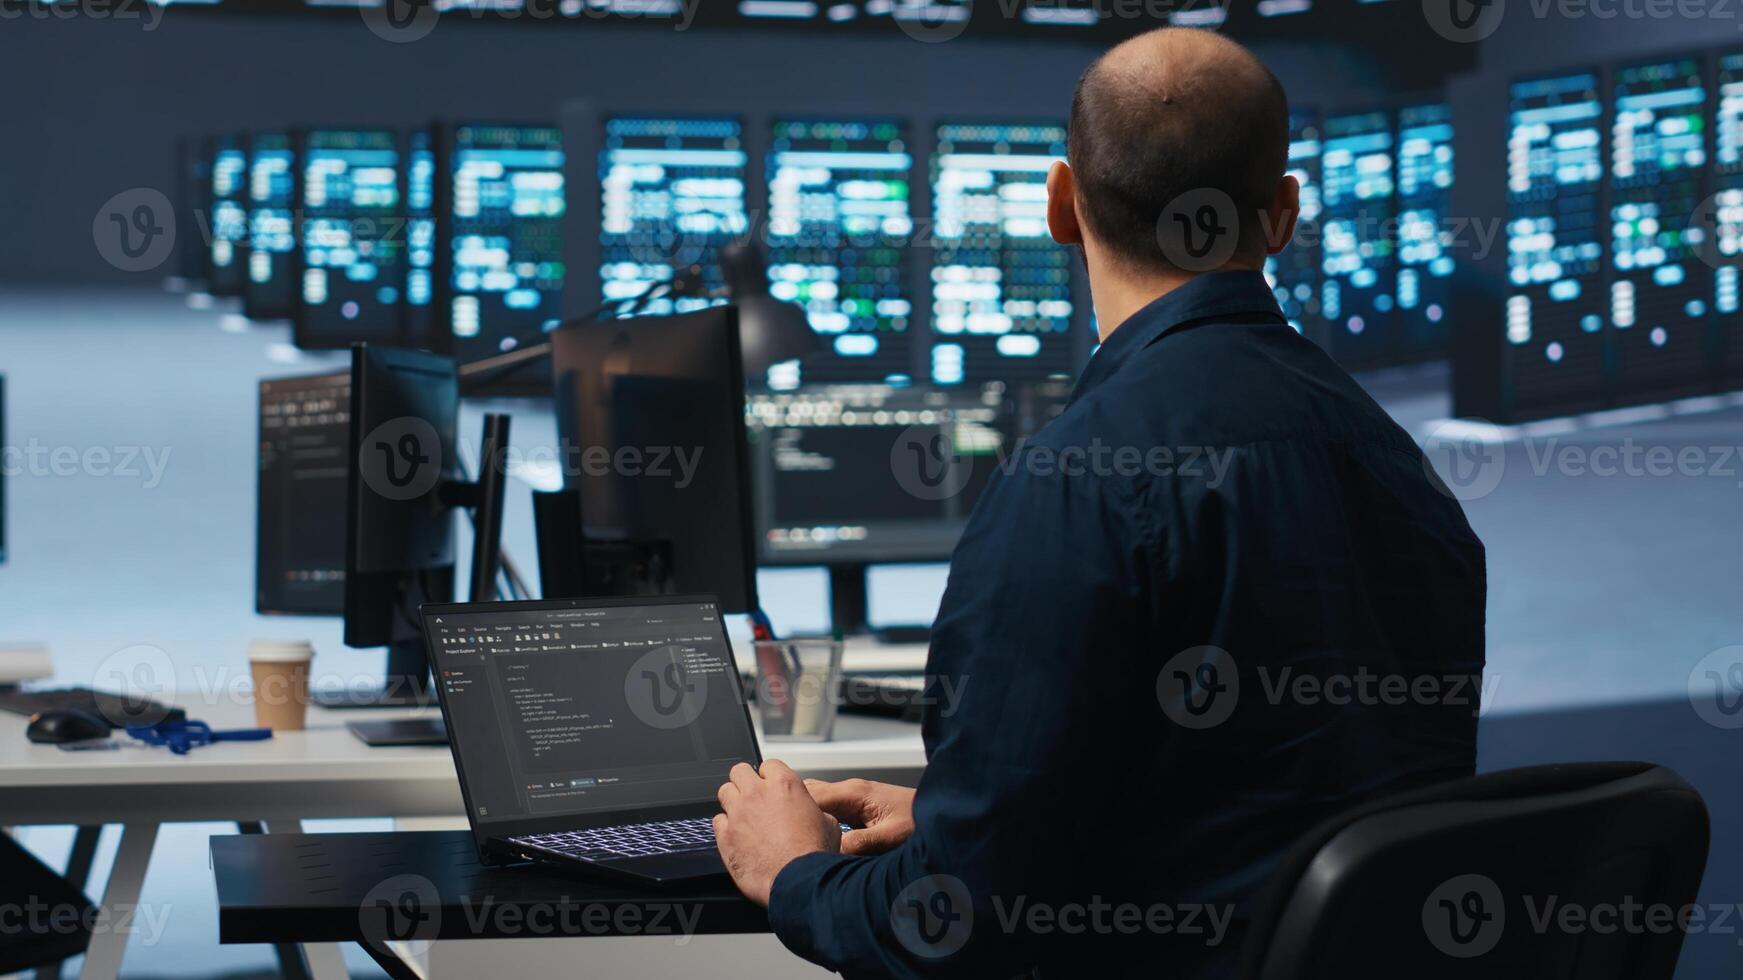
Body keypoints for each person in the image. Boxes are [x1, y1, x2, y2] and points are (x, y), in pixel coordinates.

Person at [712, 26, 1487, 979]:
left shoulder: (1074, 485)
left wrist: (792, 871)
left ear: (1060, 204)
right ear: (1283, 214)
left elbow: (949, 931)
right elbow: (1277, 811)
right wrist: (966, 821)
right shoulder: (1397, 463)